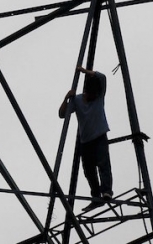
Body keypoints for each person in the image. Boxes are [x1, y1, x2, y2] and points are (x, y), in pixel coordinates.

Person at [59, 66, 113, 206]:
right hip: (86, 141)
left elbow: (102, 77)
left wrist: (85, 71)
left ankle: (106, 191)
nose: (93, 97)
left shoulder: (99, 96)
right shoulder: (77, 100)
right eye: (91, 95)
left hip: (100, 136)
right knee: (89, 171)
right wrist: (66, 99)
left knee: (103, 165)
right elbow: (61, 114)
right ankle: (96, 196)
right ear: (86, 92)